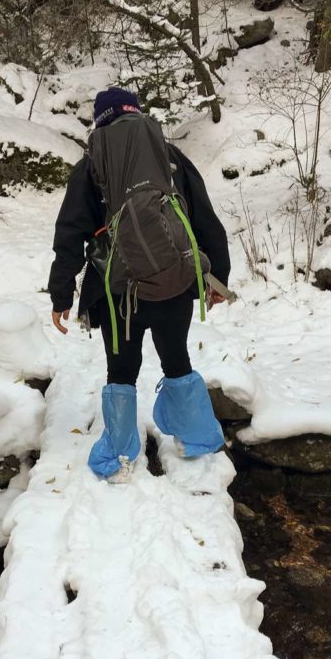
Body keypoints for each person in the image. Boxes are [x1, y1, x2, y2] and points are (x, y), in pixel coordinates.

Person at [48, 87, 231, 482]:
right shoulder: (170, 159)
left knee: (121, 371)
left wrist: (61, 293)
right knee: (177, 358)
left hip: (116, 295)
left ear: (101, 121)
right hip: (175, 285)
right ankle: (197, 438)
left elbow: (70, 234)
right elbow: (205, 222)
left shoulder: (91, 165)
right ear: (138, 115)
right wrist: (215, 280)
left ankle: (118, 454)